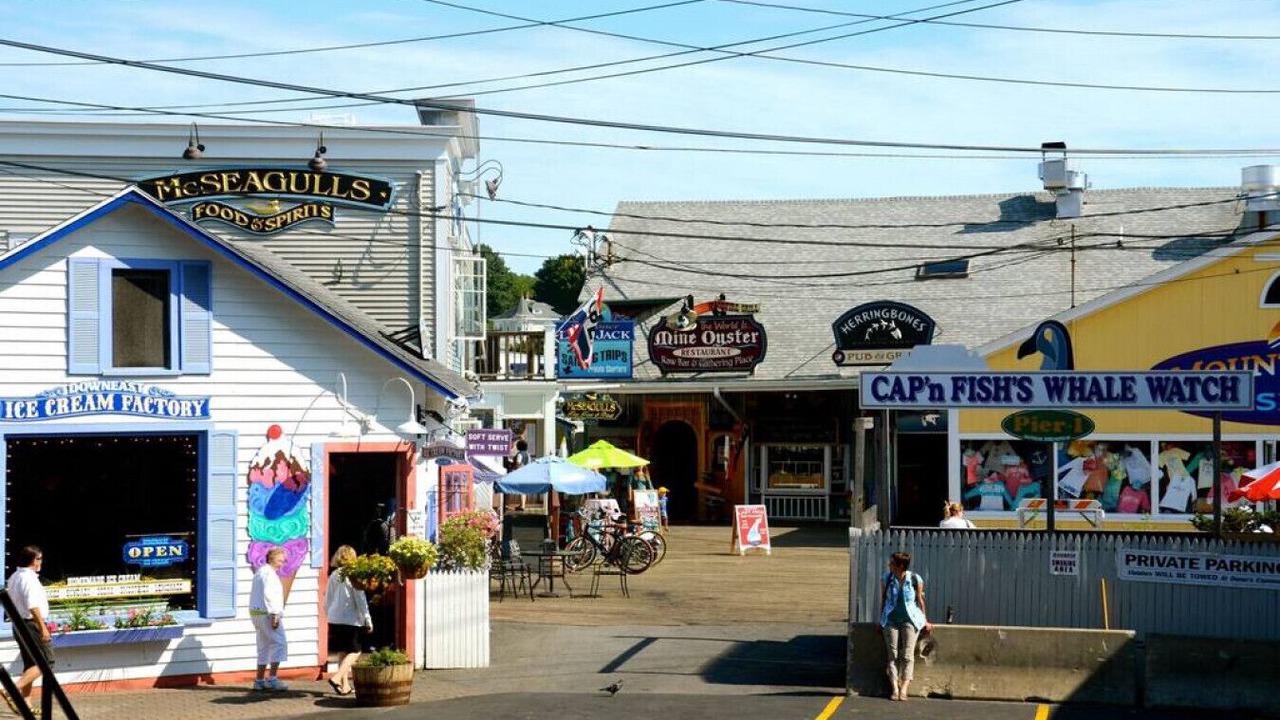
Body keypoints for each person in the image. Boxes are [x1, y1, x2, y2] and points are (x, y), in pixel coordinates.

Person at [5, 545, 52, 713]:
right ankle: (13, 689)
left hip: (18, 624)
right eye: (39, 558)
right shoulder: (29, 579)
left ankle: (27, 704)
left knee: (30, 663)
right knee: (46, 662)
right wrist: (43, 628)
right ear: (34, 560)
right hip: (31, 624)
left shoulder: (15, 576)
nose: (41, 562)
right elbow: (33, 606)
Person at [879, 551, 931, 701]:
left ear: (900, 565)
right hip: (890, 620)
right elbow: (883, 600)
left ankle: (904, 688)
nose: (890, 565)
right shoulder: (887, 578)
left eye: (892, 563)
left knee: (907, 654)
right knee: (892, 654)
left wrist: (925, 620)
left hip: (910, 620)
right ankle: (894, 687)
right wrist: (880, 619)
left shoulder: (915, 579)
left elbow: (919, 600)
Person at [325, 545, 372, 696]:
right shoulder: (354, 575)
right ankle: (337, 677)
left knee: (342, 651)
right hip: (350, 618)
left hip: (335, 618)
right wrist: (367, 619)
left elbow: (328, 597)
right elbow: (360, 599)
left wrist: (328, 614)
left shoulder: (334, 575)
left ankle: (344, 686)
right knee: (356, 651)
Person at [249, 546, 289, 691]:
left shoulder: (260, 572)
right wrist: (275, 614)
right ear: (273, 559)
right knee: (279, 643)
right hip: (267, 614)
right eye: (280, 560)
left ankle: (259, 680)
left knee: (264, 645)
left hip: (256, 613)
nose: (282, 564)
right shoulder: (269, 574)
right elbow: (270, 595)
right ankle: (272, 678)